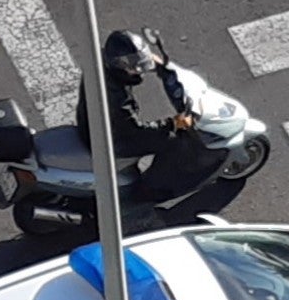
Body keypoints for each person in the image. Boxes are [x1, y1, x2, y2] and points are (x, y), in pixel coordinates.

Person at [75, 30, 224, 211]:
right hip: (112, 141)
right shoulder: (117, 101)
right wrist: (174, 123)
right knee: (173, 141)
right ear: (118, 67)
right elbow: (135, 130)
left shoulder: (100, 60)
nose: (138, 70)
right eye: (132, 67)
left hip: (93, 121)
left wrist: (161, 66)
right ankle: (150, 190)